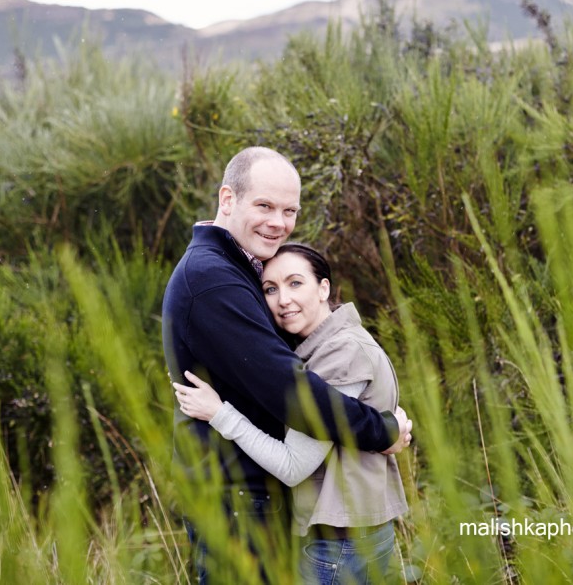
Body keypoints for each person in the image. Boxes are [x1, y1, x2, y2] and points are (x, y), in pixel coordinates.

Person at [161, 147, 412, 583]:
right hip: (236, 497)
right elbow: (289, 389)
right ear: (227, 199)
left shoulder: (232, 269)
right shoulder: (212, 277)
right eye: (264, 206)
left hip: (251, 495)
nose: (278, 221)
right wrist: (382, 430)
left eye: (289, 210)